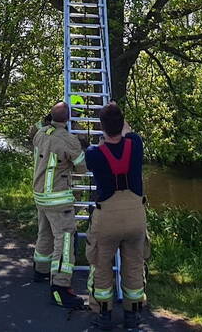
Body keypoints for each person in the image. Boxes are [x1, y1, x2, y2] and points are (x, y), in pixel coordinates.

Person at [85, 102, 148, 330]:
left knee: (101, 265)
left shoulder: (93, 154)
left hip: (108, 217)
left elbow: (93, 158)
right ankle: (133, 315)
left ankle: (103, 316)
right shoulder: (136, 144)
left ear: (102, 127)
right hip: (135, 215)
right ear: (122, 124)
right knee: (133, 266)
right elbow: (128, 133)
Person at [31, 101, 87, 309]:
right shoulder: (69, 139)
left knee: (44, 233)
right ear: (69, 118)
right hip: (59, 199)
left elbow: (34, 129)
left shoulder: (41, 133)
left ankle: (40, 270)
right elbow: (81, 167)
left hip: (40, 196)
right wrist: (83, 146)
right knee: (64, 241)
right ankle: (61, 288)